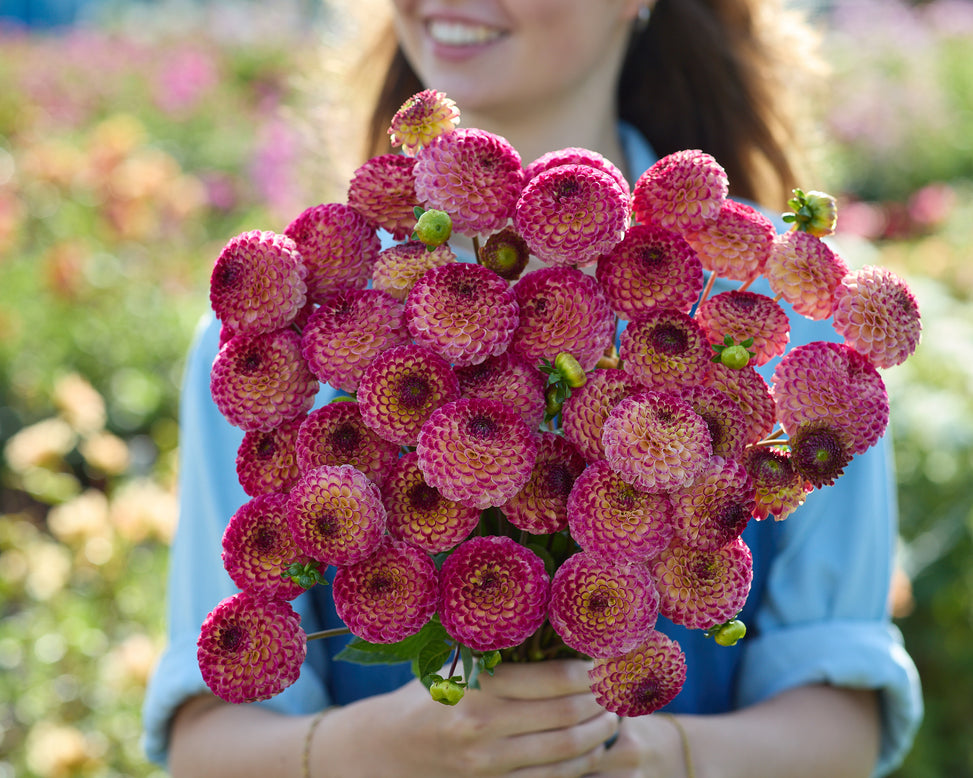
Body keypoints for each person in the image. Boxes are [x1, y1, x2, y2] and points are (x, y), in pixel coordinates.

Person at [142, 1, 923, 776]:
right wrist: (373, 753)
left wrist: (655, 754)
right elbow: (207, 739)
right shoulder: (274, 336)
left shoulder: (799, 335)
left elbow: (842, 710)